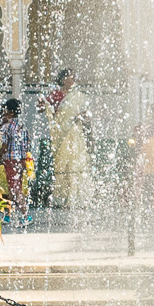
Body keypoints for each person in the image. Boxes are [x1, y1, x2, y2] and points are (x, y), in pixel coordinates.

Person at [48, 69, 91, 209]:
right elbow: (46, 109)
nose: (70, 80)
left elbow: (86, 114)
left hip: (75, 133)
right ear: (62, 79)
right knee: (62, 164)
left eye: (72, 78)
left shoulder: (78, 96)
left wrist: (82, 117)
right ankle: (61, 198)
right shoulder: (56, 95)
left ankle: (76, 198)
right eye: (67, 78)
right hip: (60, 134)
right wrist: (45, 106)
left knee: (75, 162)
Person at [0, 99, 29, 221]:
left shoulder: (6, 126)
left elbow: (4, 145)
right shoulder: (22, 125)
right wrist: (24, 159)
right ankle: (8, 214)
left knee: (15, 188)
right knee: (14, 186)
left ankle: (25, 214)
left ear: (9, 112)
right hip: (20, 160)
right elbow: (26, 144)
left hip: (10, 160)